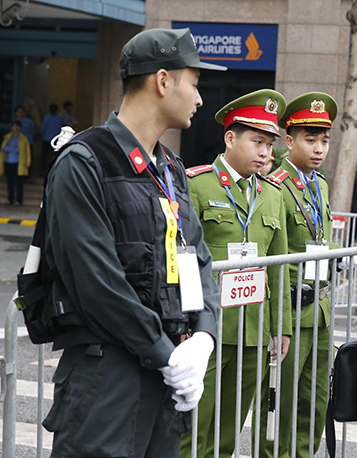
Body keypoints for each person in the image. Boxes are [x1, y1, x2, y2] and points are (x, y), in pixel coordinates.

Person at [41, 28, 226, 458]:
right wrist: (168, 355)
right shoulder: (84, 163)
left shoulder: (171, 169)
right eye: (194, 83)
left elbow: (197, 256)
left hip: (165, 380)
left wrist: (203, 337)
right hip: (107, 380)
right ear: (164, 81)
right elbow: (98, 283)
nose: (199, 99)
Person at [181, 89, 292, 458]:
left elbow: (279, 266)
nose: (266, 153)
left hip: (254, 330)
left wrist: (282, 326)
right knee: (193, 426)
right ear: (230, 138)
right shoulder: (197, 185)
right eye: (257, 141)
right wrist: (183, 323)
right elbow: (182, 261)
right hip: (207, 328)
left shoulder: (273, 193)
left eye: (270, 144)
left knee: (229, 429)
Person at [258, 92, 338, 458]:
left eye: (323, 140)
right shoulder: (274, 186)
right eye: (310, 139)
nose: (319, 148)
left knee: (316, 400)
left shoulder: (319, 185)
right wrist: (280, 322)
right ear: (288, 141)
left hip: (320, 308)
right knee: (280, 400)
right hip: (292, 307)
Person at [1, 120, 31, 205]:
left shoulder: (23, 138)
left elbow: (26, 151)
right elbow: (3, 148)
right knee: (10, 182)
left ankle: (19, 199)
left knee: (19, 182)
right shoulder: (7, 137)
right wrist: (12, 149)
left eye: (17, 126)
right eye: (14, 126)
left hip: (19, 162)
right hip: (9, 162)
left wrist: (27, 162)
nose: (16, 128)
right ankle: (10, 199)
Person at [41, 103, 64, 174]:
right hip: (56, 140)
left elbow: (43, 129)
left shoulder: (46, 118)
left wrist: (42, 136)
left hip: (46, 139)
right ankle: (52, 171)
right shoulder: (59, 119)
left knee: (44, 156)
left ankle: (42, 170)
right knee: (53, 156)